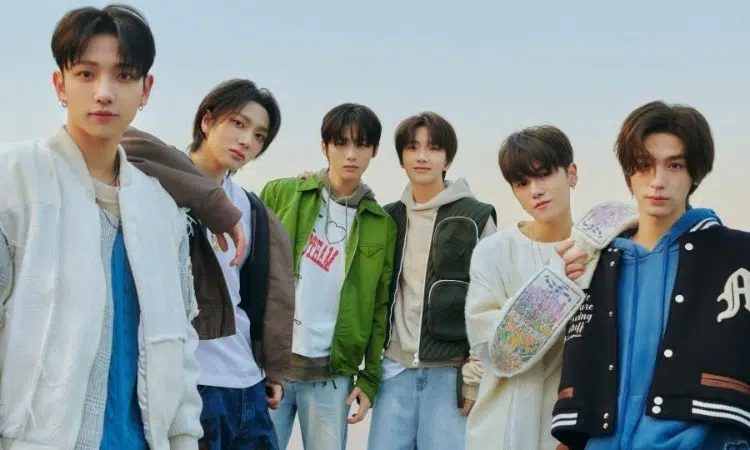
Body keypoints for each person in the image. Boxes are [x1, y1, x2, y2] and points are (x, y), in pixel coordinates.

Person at [0, 5, 202, 449]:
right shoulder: (14, 180)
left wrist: (184, 436)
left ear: (146, 89)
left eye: (124, 75)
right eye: (86, 74)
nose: (104, 93)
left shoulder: (162, 210)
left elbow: (181, 345)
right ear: (61, 84)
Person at [553, 100, 750, 449]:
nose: (658, 181)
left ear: (695, 172)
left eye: (675, 165)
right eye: (644, 166)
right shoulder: (593, 266)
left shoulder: (737, 255)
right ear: (629, 172)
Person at [121, 78, 296, 450]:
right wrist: (211, 202)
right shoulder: (158, 182)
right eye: (238, 123)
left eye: (259, 135)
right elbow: (122, 139)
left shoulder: (252, 209)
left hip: (248, 384)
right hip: (191, 384)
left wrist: (273, 370)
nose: (247, 141)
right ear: (207, 121)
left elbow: (272, 297)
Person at [261, 103, 396, 450]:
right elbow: (250, 271)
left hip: (332, 375)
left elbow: (380, 306)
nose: (351, 154)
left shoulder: (381, 224)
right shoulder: (282, 194)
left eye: (361, 145)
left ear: (374, 150)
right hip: (269, 366)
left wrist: (369, 377)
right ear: (324, 146)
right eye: (341, 143)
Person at [367, 112, 496, 450]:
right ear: (401, 158)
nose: (422, 156)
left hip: (449, 375)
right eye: (413, 147)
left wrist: (474, 379)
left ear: (447, 159)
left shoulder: (476, 217)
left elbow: (491, 303)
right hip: (393, 371)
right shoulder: (387, 217)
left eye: (433, 148)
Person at [464, 125, 578, 450]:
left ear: (572, 174)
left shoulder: (598, 250)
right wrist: (560, 280)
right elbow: (495, 348)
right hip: (501, 426)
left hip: (567, 427)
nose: (536, 191)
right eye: (522, 183)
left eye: (544, 175)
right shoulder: (494, 251)